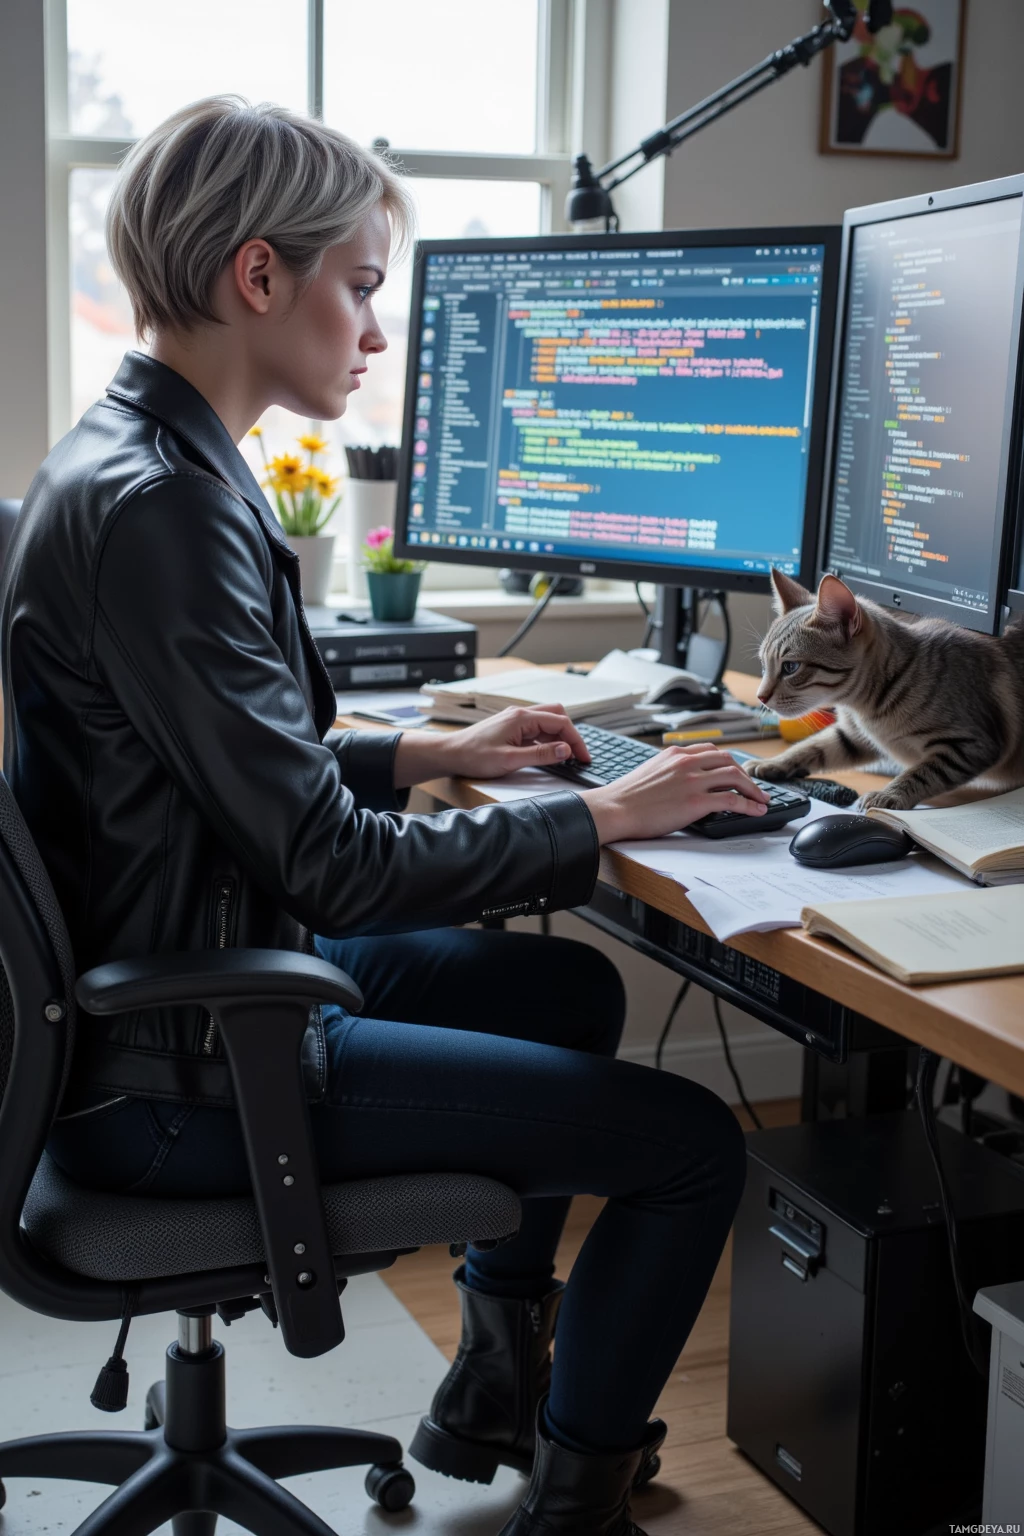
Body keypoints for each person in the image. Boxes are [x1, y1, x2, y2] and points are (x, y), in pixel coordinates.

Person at [1, 98, 770, 1536]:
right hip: (177, 1082)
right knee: (693, 1149)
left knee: (568, 994)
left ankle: (491, 1386)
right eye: (359, 287)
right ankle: (575, 1503)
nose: (373, 331)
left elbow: (222, 765)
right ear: (257, 275)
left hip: (169, 990)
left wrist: (429, 748)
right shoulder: (165, 509)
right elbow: (331, 870)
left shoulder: (135, 455)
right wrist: (606, 815)